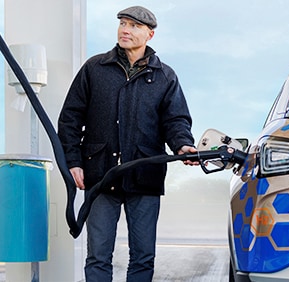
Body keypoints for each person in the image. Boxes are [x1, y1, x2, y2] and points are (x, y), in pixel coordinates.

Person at [57, 6, 197, 282]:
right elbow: (70, 119)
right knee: (97, 256)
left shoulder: (164, 76)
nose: (125, 30)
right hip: (99, 175)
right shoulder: (95, 69)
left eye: (134, 26)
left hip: (144, 175)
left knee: (143, 258)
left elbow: (176, 121)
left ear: (150, 34)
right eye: (123, 23)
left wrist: (183, 146)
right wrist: (73, 162)